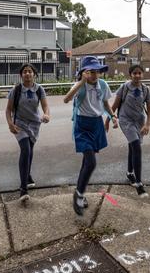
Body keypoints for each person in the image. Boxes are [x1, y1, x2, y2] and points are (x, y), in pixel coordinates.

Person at [63, 56, 117, 216]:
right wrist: (81, 81)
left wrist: (113, 116)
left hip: (96, 124)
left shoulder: (102, 85)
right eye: (91, 71)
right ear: (84, 72)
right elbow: (66, 99)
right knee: (91, 162)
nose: (95, 75)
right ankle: (79, 194)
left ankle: (80, 192)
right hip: (82, 125)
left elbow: (105, 103)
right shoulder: (81, 85)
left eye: (97, 71)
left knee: (87, 162)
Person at [5, 64, 50, 202]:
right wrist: (10, 124)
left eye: (30, 72)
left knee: (30, 151)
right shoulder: (16, 90)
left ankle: (28, 175)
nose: (27, 74)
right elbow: (8, 110)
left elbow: (45, 106)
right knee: (25, 150)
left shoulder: (39, 89)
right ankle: (23, 189)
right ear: (21, 75)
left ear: (34, 75)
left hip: (35, 125)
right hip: (20, 124)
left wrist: (47, 115)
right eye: (24, 72)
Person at [109, 65, 150, 197]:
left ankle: (129, 173)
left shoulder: (145, 89)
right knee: (136, 147)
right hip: (125, 120)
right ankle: (139, 184)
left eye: (139, 73)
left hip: (139, 122)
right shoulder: (125, 87)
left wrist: (147, 125)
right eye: (135, 73)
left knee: (132, 146)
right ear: (130, 75)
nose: (137, 75)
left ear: (142, 75)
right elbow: (114, 106)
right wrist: (109, 120)